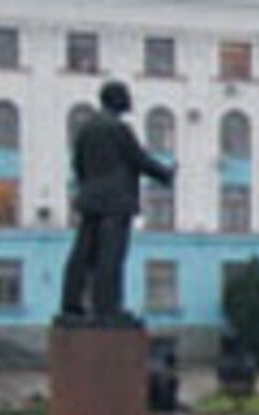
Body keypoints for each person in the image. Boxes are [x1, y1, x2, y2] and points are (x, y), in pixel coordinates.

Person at [60, 80, 175, 321]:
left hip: (90, 199)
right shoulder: (118, 129)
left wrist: (89, 187)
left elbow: (77, 164)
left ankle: (71, 304)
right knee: (110, 256)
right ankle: (107, 309)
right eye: (126, 96)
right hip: (116, 201)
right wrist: (165, 174)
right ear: (117, 99)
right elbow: (138, 159)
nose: (129, 100)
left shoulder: (86, 128)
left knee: (82, 253)